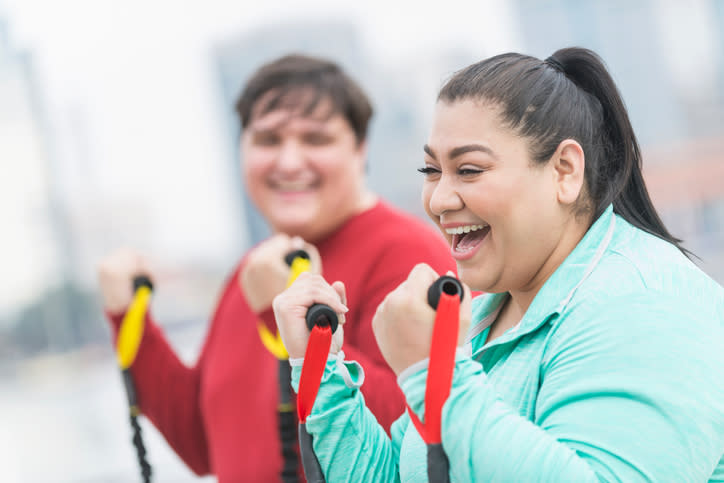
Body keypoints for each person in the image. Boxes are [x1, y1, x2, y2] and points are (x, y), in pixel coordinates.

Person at [273, 47, 724, 481]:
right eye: (431, 171)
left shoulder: (645, 303)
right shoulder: (484, 315)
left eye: (468, 170)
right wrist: (321, 366)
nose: (440, 199)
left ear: (565, 170)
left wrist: (433, 373)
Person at [97, 54, 456, 482]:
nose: (288, 162)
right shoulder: (254, 269)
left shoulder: (405, 253)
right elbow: (202, 446)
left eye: (315, 139)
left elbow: (422, 433)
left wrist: (282, 316)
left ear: (360, 149)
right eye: (267, 140)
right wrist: (129, 320)